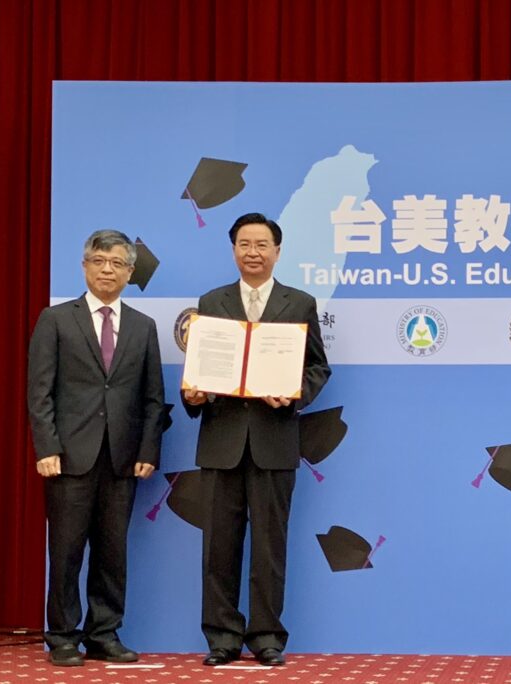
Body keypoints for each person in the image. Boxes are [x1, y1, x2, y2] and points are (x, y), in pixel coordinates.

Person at [183, 212, 330, 667]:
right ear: (233, 250)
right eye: (244, 244)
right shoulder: (212, 301)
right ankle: (222, 638)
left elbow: (318, 367)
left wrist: (292, 395)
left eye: (262, 244)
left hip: (274, 440)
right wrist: (193, 394)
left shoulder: (299, 302)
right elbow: (201, 370)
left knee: (270, 547)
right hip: (222, 440)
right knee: (219, 547)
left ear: (277, 251)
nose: (253, 252)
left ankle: (267, 636)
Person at [27, 229, 164, 666]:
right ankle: (63, 636)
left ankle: (104, 633)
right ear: (85, 266)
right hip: (68, 455)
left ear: (129, 272)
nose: (108, 270)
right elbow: (39, 392)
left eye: (117, 263)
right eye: (99, 261)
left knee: (112, 550)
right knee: (66, 550)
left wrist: (148, 450)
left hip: (123, 457)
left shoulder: (144, 327)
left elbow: (152, 397)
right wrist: (46, 446)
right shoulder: (56, 319)